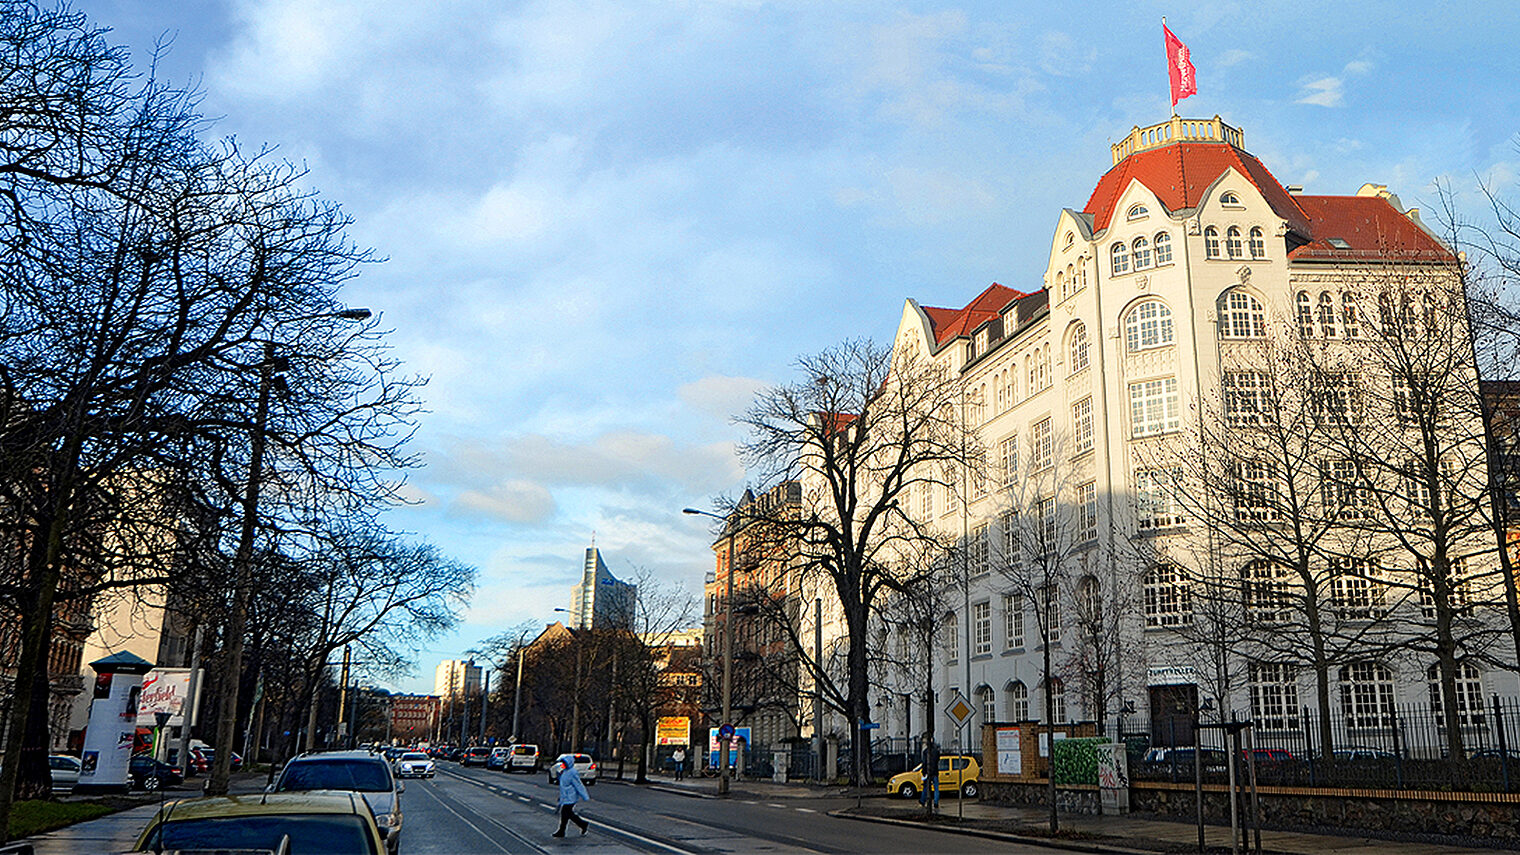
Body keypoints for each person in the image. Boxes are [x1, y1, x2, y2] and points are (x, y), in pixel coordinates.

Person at [552, 757, 590, 838]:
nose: (563, 764)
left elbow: (578, 785)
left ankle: (582, 824)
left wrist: (584, 796)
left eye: (564, 763)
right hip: (565, 797)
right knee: (566, 814)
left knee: (566, 813)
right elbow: (563, 784)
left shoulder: (572, 773)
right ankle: (563, 830)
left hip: (571, 797)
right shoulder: (565, 772)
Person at [919, 735, 940, 809]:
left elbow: (924, 763)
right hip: (935, 772)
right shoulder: (936, 751)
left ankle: (922, 801)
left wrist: (924, 772)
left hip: (928, 772)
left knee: (925, 787)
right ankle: (936, 803)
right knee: (936, 788)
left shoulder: (925, 752)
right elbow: (937, 760)